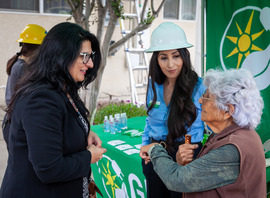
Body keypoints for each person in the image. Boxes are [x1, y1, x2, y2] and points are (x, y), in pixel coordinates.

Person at [0, 22, 107, 198]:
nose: (90, 64)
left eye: (91, 56)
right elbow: (48, 168)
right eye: (84, 56)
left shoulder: (63, 88)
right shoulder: (40, 98)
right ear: (62, 56)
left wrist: (85, 132)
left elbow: (61, 127)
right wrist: (88, 157)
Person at [140, 68, 266, 197]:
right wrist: (181, 163)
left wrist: (154, 148)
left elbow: (178, 180)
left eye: (207, 97)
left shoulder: (232, 148)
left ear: (228, 111)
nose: (200, 101)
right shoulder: (232, 134)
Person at [141, 22, 205, 198]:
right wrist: (145, 146)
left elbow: (213, 125)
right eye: (164, 57)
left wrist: (188, 153)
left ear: (184, 56)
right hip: (154, 155)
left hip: (186, 156)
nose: (171, 64)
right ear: (156, 59)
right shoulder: (154, 85)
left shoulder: (200, 87)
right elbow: (149, 121)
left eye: (176, 56)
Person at [2, 24, 47, 150]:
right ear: (37, 49)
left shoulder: (19, 63)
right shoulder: (23, 67)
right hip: (15, 124)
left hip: (13, 122)